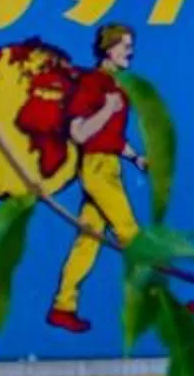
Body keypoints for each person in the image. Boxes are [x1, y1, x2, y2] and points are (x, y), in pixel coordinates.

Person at [46, 24, 142, 335]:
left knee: (87, 241)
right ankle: (163, 302)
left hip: (109, 164)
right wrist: (105, 109)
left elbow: (111, 137)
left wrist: (136, 158)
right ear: (108, 48)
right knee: (131, 234)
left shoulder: (115, 87)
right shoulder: (92, 84)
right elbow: (79, 133)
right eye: (124, 45)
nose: (130, 50)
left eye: (131, 45)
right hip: (97, 168)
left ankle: (63, 306)